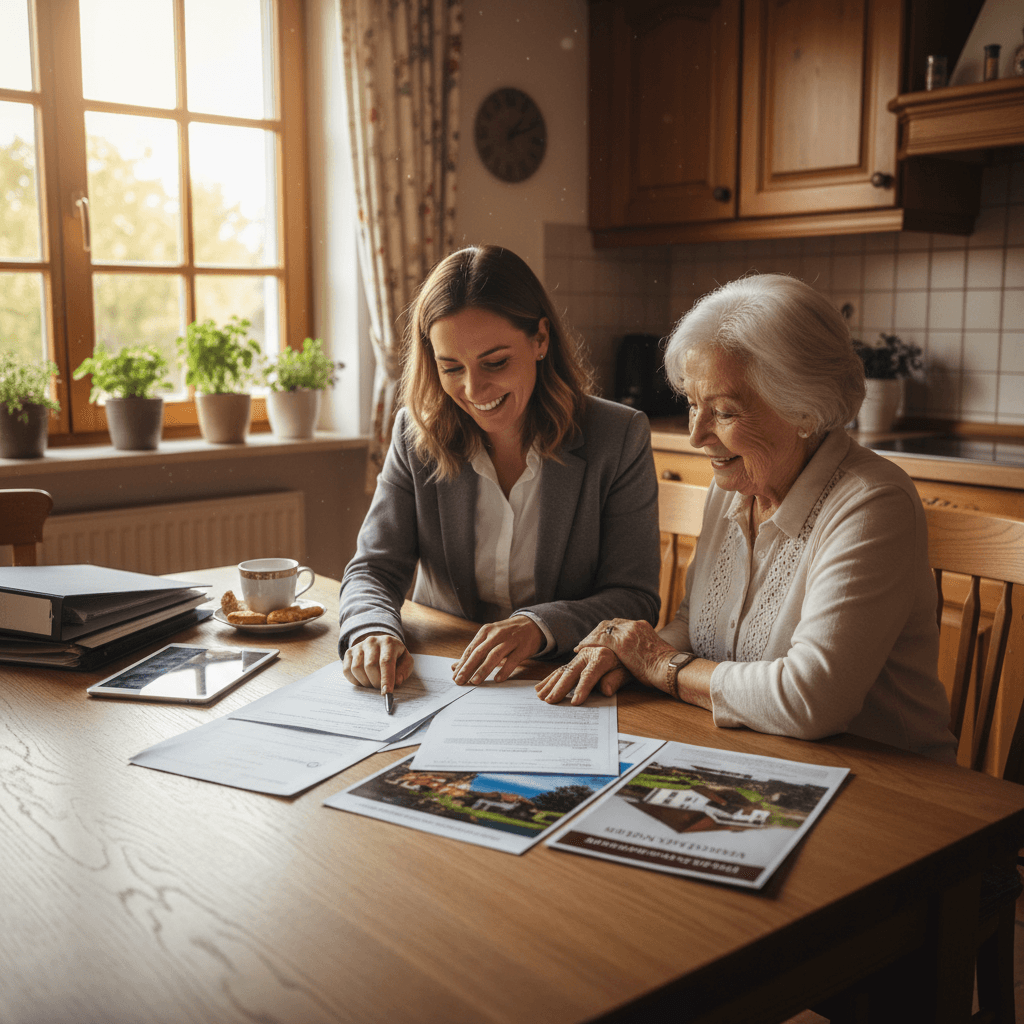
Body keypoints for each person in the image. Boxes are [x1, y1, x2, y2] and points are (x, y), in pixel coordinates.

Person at [536, 273, 957, 762]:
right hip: (756, 757)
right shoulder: (737, 483)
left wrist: (660, 664)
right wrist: (627, 656)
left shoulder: (871, 504)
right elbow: (695, 629)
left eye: (725, 412)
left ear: (805, 409)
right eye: (693, 404)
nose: (696, 435)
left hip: (889, 783)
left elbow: (809, 699)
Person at [339, 245, 661, 695]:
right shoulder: (415, 435)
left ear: (540, 340)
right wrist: (371, 631)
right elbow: (374, 569)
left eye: (495, 363)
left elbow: (635, 597)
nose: (474, 390)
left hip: (559, 683)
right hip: (438, 678)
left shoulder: (619, 435)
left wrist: (537, 626)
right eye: (451, 367)